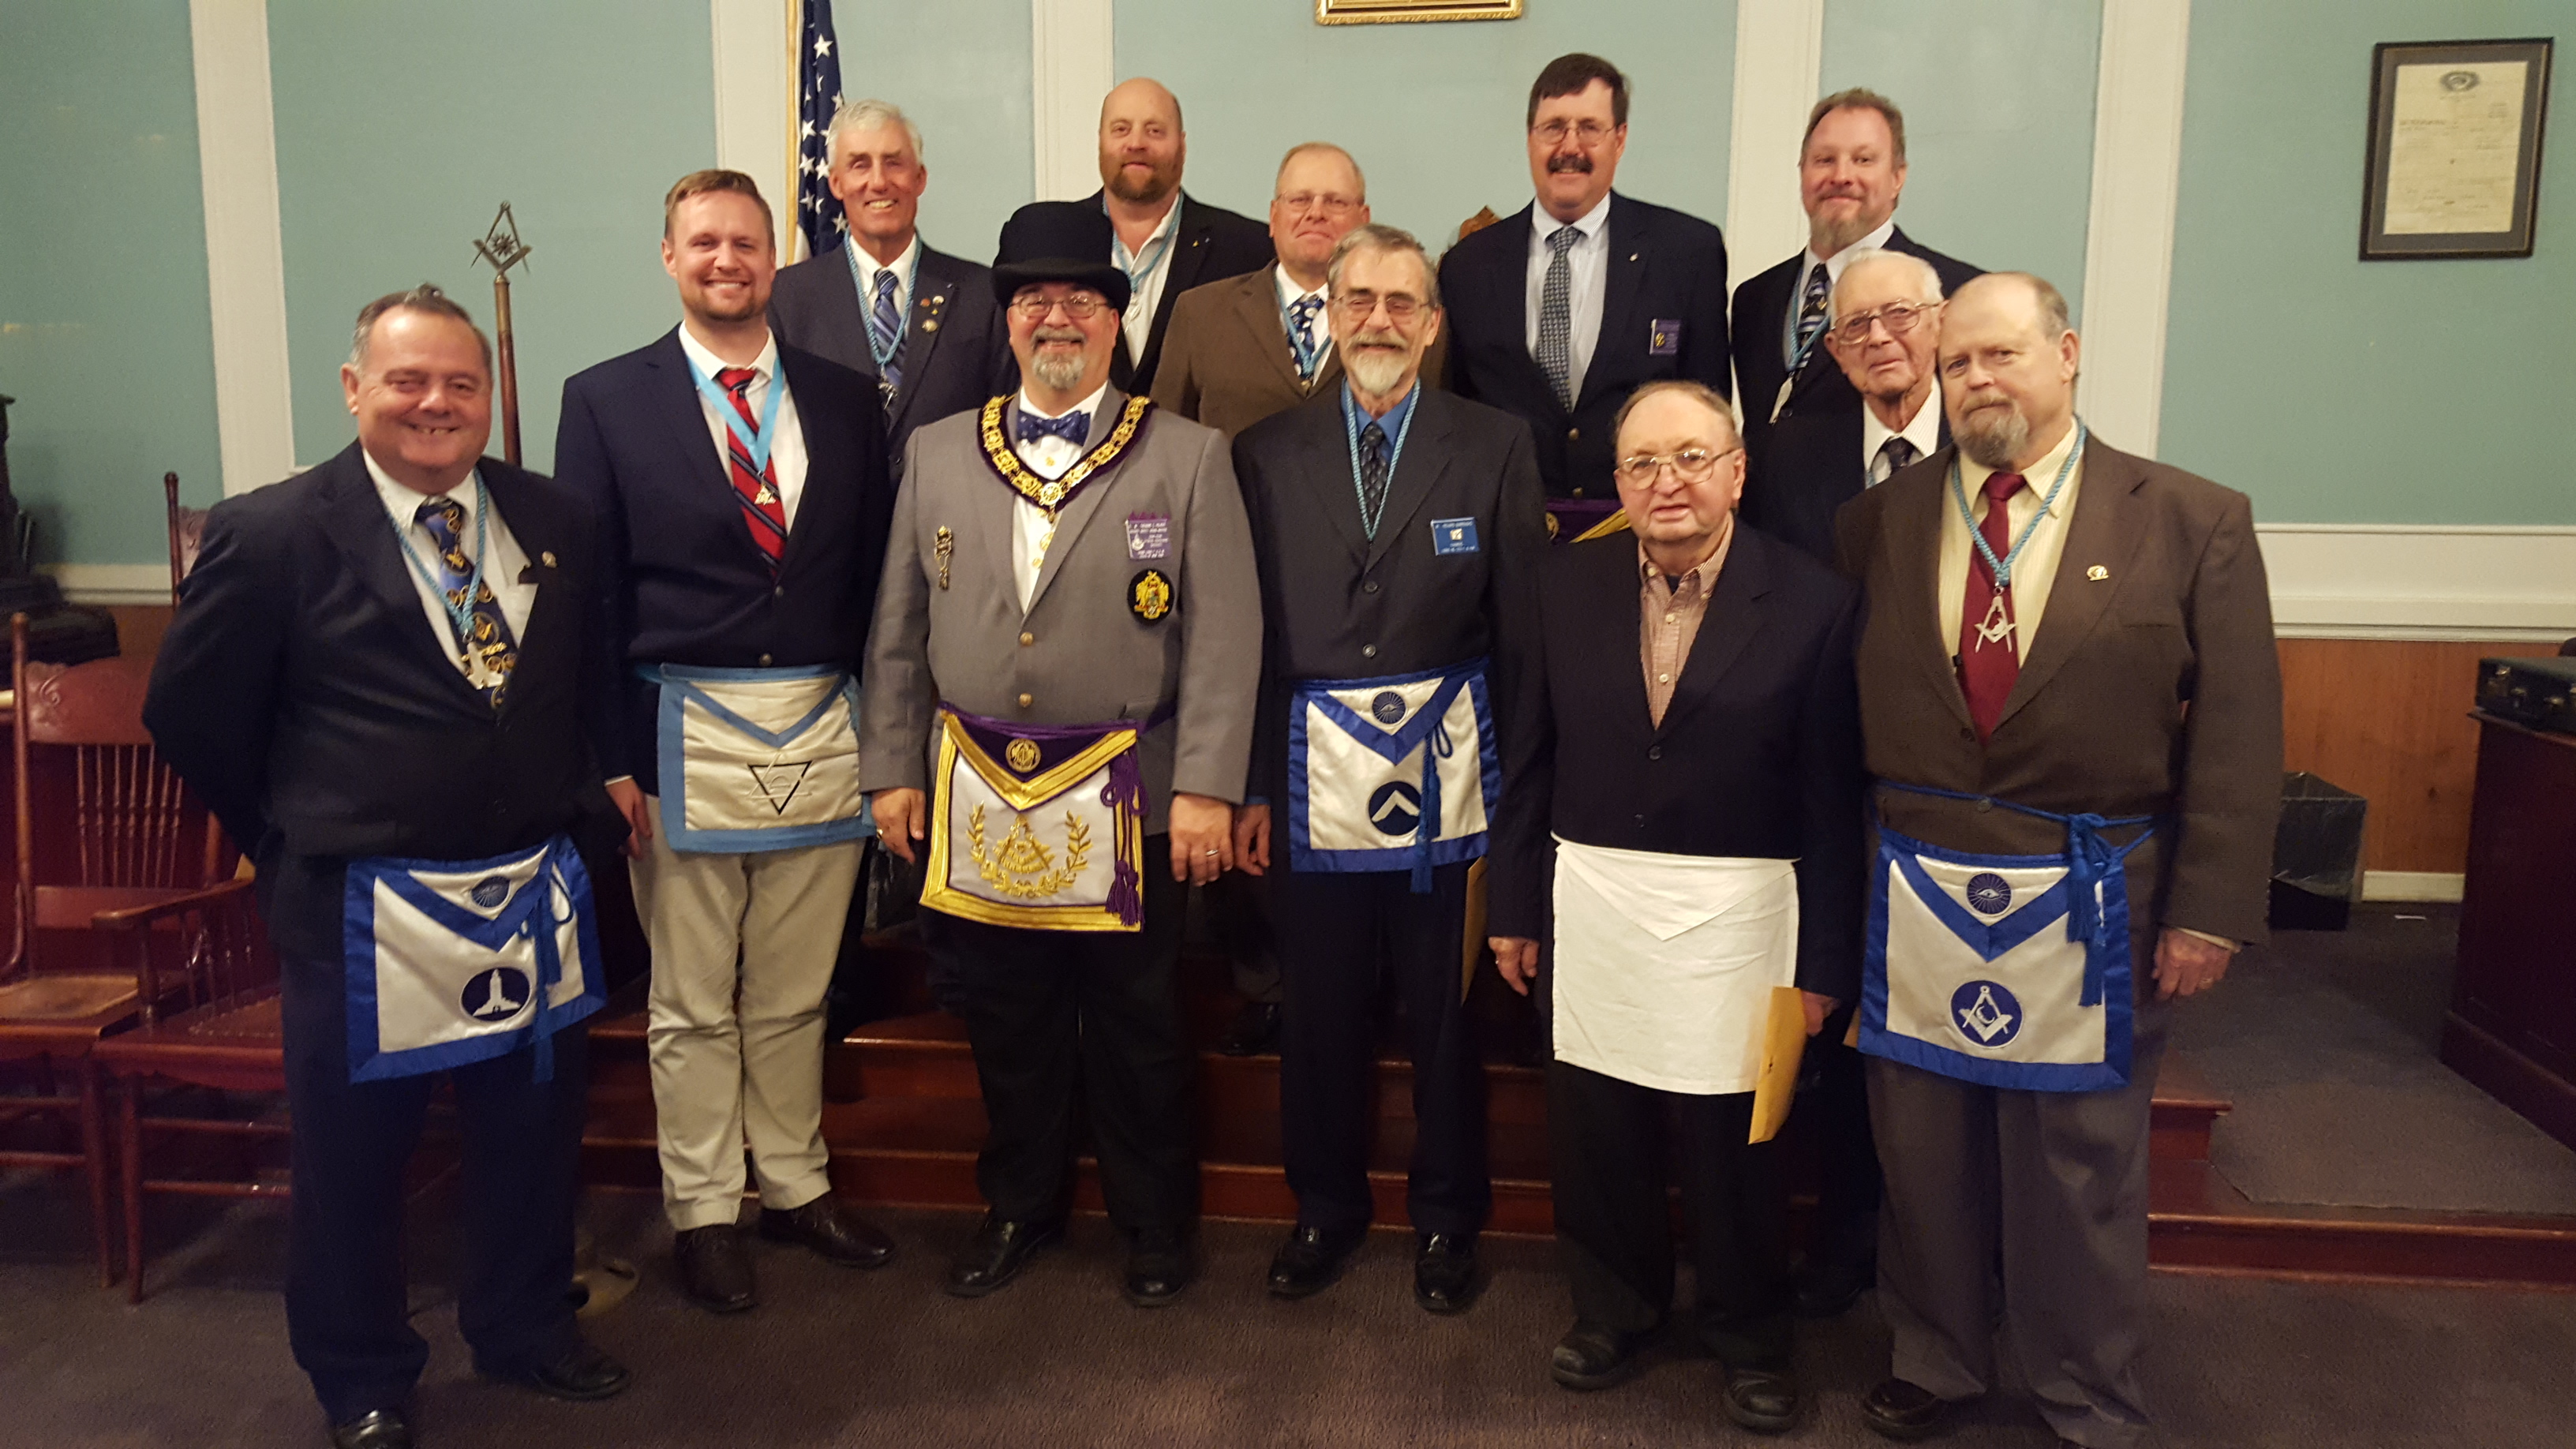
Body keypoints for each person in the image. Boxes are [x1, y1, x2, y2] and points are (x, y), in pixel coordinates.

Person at [144, 285, 629, 1448]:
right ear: (355, 388)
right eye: (408, 381)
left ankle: (523, 1327)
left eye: (462, 383)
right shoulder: (272, 534)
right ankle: (361, 1376)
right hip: (364, 916)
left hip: (528, 896)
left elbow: (583, 683)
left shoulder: (554, 517)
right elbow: (193, 714)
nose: (435, 404)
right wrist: (293, 831)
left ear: (489, 394)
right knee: (354, 1163)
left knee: (530, 1137)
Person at [1835, 273, 2282, 1449]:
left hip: (2096, 888)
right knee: (1921, 1147)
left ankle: (2083, 1385)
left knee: (2079, 1160)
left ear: (2067, 353)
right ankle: (1935, 1356)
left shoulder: (2188, 518)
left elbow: (2239, 731)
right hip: (1919, 881)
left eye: (2003, 354)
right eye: (1958, 363)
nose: (1978, 379)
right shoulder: (1878, 520)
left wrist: (2208, 911)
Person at [857, 200, 1261, 1307]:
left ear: (1115, 317)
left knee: (1138, 1020)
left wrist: (1206, 788)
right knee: (1009, 1018)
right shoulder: (940, 451)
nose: (1057, 317)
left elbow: (1226, 637)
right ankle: (1019, 1206)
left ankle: (1154, 1222)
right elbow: (896, 627)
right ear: (1007, 318)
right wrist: (890, 767)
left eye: (1082, 297)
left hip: (1131, 792)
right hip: (977, 791)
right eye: (1034, 297)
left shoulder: (1187, 456)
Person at [1486, 379, 1860, 1433]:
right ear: (1617, 482)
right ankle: (1615, 1309)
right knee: (1595, 1126)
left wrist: (1826, 962)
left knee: (1736, 1141)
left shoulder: (1814, 601)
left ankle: (1750, 1334)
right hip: (1594, 904)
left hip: (1746, 919)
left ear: (1737, 472)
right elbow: (1528, 756)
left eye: (1692, 458)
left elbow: (1835, 804)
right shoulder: (1562, 587)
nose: (1668, 482)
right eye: (1644, 463)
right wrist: (1513, 904)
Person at [555, 170, 899, 1316]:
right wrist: (610, 758)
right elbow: (587, 596)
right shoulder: (606, 399)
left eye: (745, 243)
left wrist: (887, 741)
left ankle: (796, 1185)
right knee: (693, 1000)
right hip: (677, 735)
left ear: (774, 258)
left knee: (796, 991)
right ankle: (704, 1208)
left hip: (822, 727)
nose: (726, 261)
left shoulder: (846, 399)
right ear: (670, 256)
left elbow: (876, 583)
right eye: (703, 242)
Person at [1231, 224, 1547, 1312]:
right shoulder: (1265, 451)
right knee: (1318, 1013)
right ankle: (1324, 1207)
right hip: (1307, 784)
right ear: (1330, 314)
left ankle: (1448, 1218)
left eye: (1402, 303)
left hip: (1450, 792)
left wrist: (1518, 806)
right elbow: (1249, 641)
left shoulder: (1494, 444)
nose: (1379, 321)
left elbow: (1522, 640)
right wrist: (1254, 788)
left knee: (1444, 1020)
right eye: (1359, 300)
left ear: (1433, 323)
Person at [1151, 140, 1383, 1058]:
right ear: (1273, 216)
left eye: (1335, 200)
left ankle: (1357, 979)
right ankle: (1263, 980)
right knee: (1241, 783)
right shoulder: (1205, 311)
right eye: (1299, 199)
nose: (1316, 213)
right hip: (1231, 587)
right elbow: (1160, 443)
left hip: (1363, 601)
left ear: (1362, 218)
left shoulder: (1394, 312)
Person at [1439, 53, 1731, 514]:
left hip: (1640, 524)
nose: (1569, 147)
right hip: (1506, 527)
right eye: (1553, 128)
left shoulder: (1686, 252)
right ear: (1530, 138)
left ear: (1620, 139)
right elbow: (1453, 416)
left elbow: (1709, 412)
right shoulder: (1467, 265)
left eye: (1590, 129)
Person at [1729, 88, 1978, 471]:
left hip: (1883, 502)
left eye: (1863, 160)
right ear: (1802, 172)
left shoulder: (1958, 293)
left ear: (1897, 177)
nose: (1841, 177)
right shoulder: (1754, 298)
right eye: (1824, 160)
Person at [769, 98, 1017, 474]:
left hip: (948, 505)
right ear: (836, 183)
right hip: (837, 509)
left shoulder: (982, 295)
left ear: (920, 178)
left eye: (894, 163)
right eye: (859, 165)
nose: (879, 182)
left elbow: (1006, 425)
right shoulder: (787, 298)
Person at [1745, 249, 1951, 570]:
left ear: (1941, 323)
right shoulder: (1789, 459)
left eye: (1899, 313)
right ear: (1837, 351)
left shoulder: (1984, 440)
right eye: (1856, 324)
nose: (1878, 337)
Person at [1084, 77, 1274, 395]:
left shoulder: (1248, 249)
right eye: (1121, 129)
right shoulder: (1052, 241)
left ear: (1182, 146)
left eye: (1154, 131)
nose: (1136, 143)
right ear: (1100, 142)